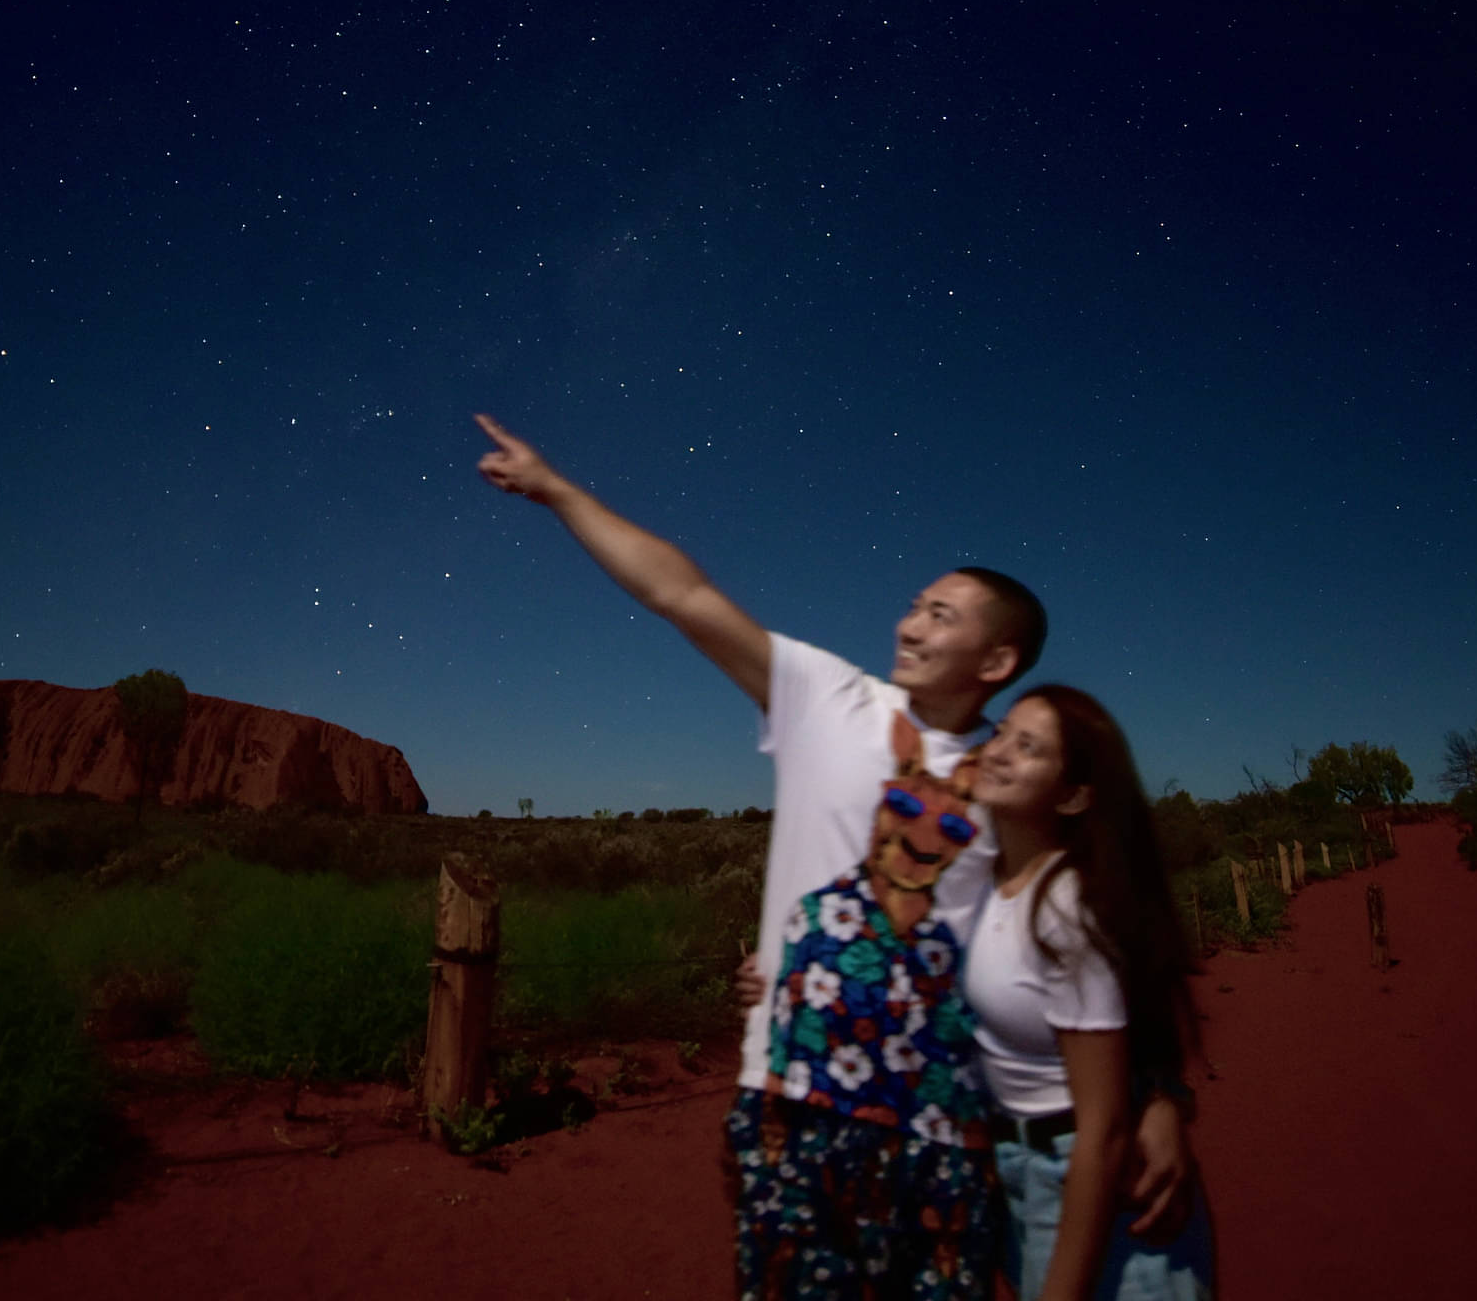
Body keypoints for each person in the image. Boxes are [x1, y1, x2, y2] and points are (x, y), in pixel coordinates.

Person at [470, 416, 1191, 1297]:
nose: (909, 623)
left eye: (940, 614)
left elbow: (1095, 923)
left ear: (997, 658)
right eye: (914, 604)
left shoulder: (1015, 773)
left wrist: (1156, 1093)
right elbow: (682, 594)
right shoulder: (829, 698)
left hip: (948, 1128)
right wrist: (558, 490)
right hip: (797, 1103)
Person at [968, 685, 1213, 1301]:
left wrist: (1157, 1096)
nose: (996, 752)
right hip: (1016, 1176)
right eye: (1001, 732)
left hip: (1089, 1185)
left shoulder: (1067, 911)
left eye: (1028, 748)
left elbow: (1102, 1129)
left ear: (1075, 795)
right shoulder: (974, 875)